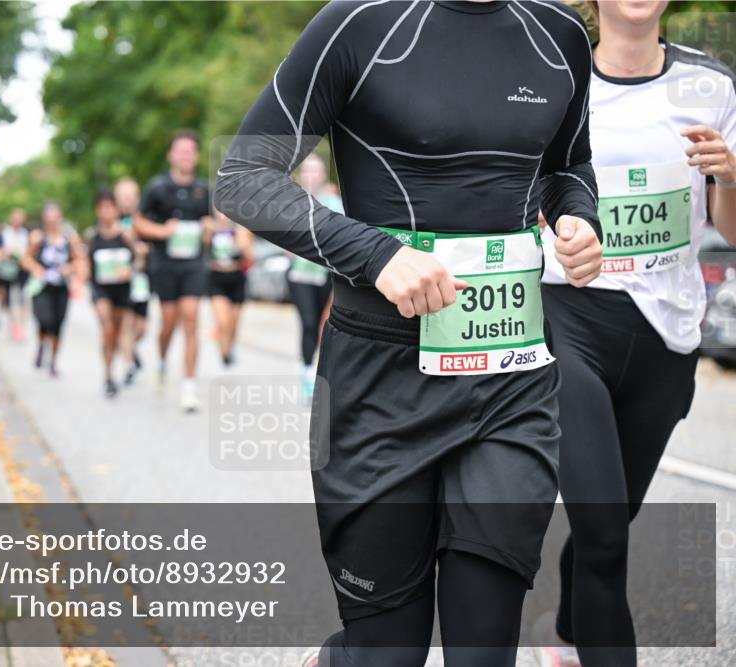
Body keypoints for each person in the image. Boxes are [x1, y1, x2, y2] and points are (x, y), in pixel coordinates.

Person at [215, 2, 603, 665]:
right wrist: (377, 255)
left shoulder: (559, 34)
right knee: (385, 651)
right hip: (378, 379)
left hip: (508, 377)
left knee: (483, 649)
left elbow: (568, 167)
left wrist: (580, 220)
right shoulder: (360, 23)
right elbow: (243, 180)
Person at [533, 3, 736, 667]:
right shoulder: (553, 79)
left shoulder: (710, 87)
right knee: (604, 534)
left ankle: (565, 631)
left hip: (665, 334)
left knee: (612, 520)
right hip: (569, 316)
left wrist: (730, 176)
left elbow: (731, 230)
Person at [134, 130, 213, 412]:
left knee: (191, 320)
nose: (185, 155)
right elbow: (138, 224)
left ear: (196, 156)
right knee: (168, 324)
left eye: (190, 151)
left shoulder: (204, 190)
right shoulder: (157, 187)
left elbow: (214, 228)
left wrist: (208, 230)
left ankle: (189, 387)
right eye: (180, 150)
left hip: (193, 264)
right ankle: (162, 362)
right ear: (170, 155)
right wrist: (162, 231)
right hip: (164, 265)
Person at [287, 155, 344, 399]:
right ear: (300, 176)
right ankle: (307, 373)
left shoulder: (334, 202)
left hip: (326, 276)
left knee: (326, 325)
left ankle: (323, 373)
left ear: (324, 175)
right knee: (309, 322)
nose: (311, 176)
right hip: (300, 275)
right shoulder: (292, 202)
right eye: (307, 171)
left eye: (316, 171)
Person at [21, 203, 85, 378]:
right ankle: (42, 346)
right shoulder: (37, 238)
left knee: (58, 326)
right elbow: (25, 259)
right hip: (42, 287)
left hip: (61, 288)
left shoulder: (69, 239)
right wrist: (37, 269)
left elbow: (80, 260)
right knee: (44, 321)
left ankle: (53, 362)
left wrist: (70, 268)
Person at [87, 190, 141, 398]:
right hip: (101, 288)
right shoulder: (92, 236)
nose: (107, 211)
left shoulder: (126, 234)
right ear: (98, 211)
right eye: (103, 208)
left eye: (110, 207)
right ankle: (108, 375)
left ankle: (116, 368)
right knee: (107, 328)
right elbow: (87, 263)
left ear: (116, 210)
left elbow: (139, 259)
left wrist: (131, 269)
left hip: (122, 288)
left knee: (117, 331)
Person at [206, 210, 254, 368]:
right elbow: (202, 247)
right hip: (217, 279)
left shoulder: (240, 229)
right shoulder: (210, 227)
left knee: (233, 324)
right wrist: (209, 231)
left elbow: (250, 257)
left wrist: (243, 245)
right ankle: (223, 354)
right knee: (223, 321)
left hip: (236, 279)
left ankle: (229, 349)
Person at [114, 177, 150, 385]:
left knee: (141, 328)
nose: (128, 200)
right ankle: (128, 364)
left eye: (131, 196)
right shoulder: (112, 220)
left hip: (141, 280)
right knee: (126, 323)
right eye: (124, 196)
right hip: (119, 281)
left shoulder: (144, 219)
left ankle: (130, 350)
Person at [2, 208, 31, 341]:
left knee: (23, 298)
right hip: (8, 269)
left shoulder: (26, 234)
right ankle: (13, 325)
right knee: (9, 299)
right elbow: (1, 251)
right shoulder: (5, 233)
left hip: (23, 269)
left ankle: (21, 326)